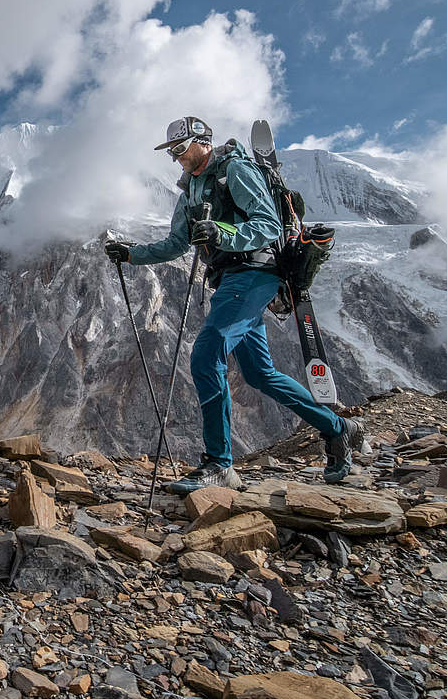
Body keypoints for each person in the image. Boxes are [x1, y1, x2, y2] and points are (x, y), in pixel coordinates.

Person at [105, 116, 361, 493]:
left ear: (202, 142)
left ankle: (219, 463)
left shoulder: (235, 171)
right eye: (172, 152)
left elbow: (268, 225)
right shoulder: (189, 190)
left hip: (255, 274)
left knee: (207, 354)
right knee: (259, 374)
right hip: (229, 282)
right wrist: (131, 254)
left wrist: (221, 231)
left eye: (180, 149)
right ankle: (339, 429)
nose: (176, 158)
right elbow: (176, 244)